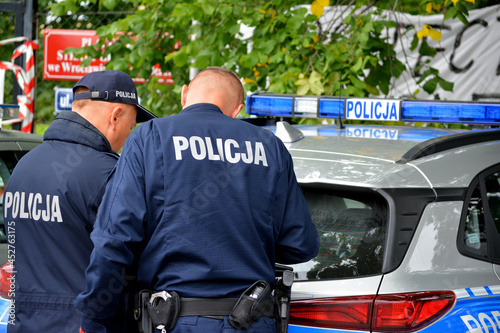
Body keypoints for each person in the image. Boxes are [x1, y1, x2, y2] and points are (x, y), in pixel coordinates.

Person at [75, 67, 319, 333]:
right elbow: (301, 245)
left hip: (174, 321)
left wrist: (94, 317)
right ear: (237, 110)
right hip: (252, 320)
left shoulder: (151, 137)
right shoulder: (270, 147)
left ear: (184, 95)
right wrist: (251, 239)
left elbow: (114, 240)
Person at [3, 70, 156, 333]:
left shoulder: (23, 166)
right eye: (131, 126)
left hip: (24, 323)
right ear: (116, 115)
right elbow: (127, 260)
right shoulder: (110, 173)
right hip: (83, 324)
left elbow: (15, 243)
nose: (128, 136)